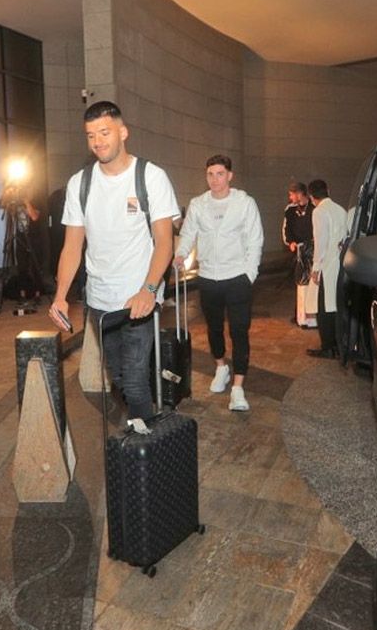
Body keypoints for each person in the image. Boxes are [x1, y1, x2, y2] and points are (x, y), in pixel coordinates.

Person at [49, 100, 179, 422]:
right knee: (119, 377)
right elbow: (72, 247)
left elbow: (165, 241)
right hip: (99, 302)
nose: (97, 141)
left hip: (139, 298)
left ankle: (144, 449)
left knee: (134, 381)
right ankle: (140, 429)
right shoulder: (80, 184)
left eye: (104, 132)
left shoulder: (150, 177)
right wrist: (61, 296)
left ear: (123, 132)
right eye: (91, 135)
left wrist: (149, 289)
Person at [174, 154, 263, 412]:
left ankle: (238, 388)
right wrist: (181, 254)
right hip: (209, 277)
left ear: (230, 176)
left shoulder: (244, 203)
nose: (215, 179)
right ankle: (221, 367)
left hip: (237, 278)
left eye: (220, 174)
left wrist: (249, 274)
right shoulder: (198, 204)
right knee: (213, 329)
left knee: (239, 331)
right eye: (210, 174)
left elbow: (255, 240)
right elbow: (188, 232)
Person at [307, 179, 349, 358]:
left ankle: (327, 347)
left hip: (326, 265)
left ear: (311, 197)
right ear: (328, 190)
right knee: (335, 305)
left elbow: (320, 241)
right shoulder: (340, 209)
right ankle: (338, 344)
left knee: (323, 306)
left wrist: (316, 267)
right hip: (339, 263)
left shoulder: (319, 211)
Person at [282, 181, 318, 329]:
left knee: (313, 285)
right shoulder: (290, 210)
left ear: (299, 194)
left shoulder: (315, 208)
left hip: (313, 251)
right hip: (298, 252)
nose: (290, 198)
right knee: (301, 284)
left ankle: (313, 317)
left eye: (291, 194)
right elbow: (286, 229)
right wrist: (290, 242)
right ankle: (301, 316)